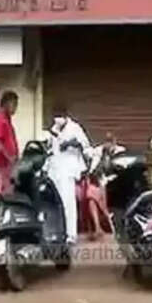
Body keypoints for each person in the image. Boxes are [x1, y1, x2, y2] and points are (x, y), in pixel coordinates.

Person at [45, 103, 94, 245]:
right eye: (55, 116)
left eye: (59, 116)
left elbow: (87, 149)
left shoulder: (75, 129)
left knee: (68, 203)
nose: (57, 119)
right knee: (55, 203)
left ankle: (71, 235)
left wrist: (74, 144)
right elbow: (50, 149)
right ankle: (57, 232)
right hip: (54, 170)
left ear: (66, 116)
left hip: (68, 171)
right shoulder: (53, 130)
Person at [0, 91, 19, 193]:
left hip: (8, 166)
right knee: (5, 195)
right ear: (6, 103)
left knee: (11, 192)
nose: (15, 108)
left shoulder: (6, 119)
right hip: (2, 166)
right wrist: (10, 158)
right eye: (14, 104)